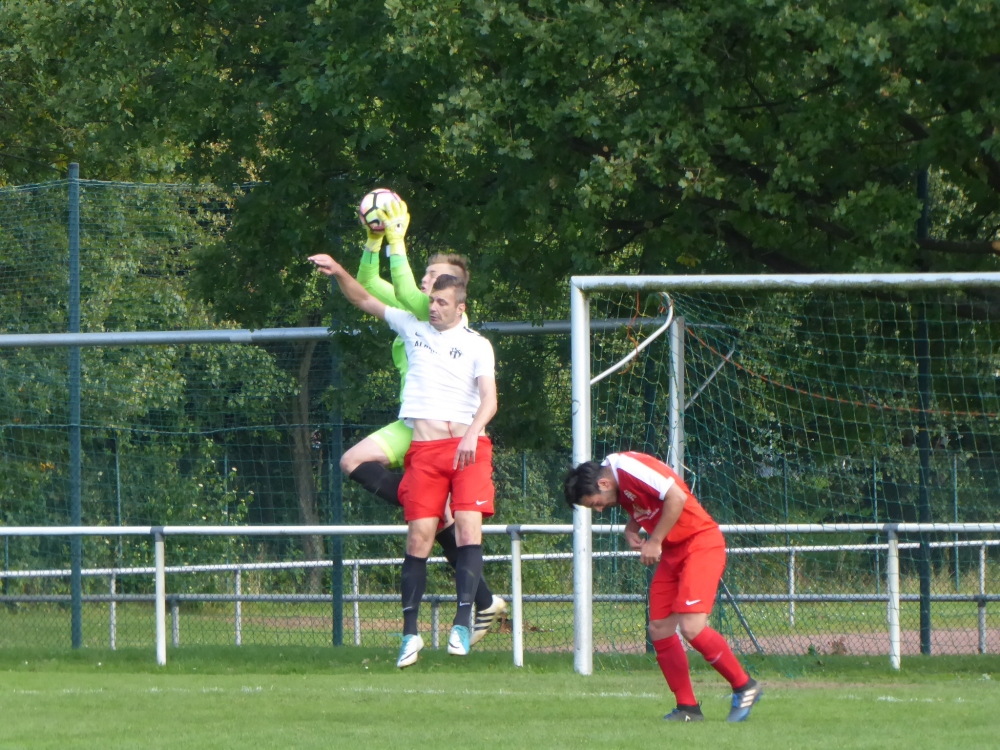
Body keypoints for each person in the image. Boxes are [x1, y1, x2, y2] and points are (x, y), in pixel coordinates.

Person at [312, 200, 506, 647]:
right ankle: (463, 580)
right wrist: (364, 248)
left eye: (437, 282)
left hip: (451, 430)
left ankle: (473, 603)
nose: (426, 285)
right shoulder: (414, 318)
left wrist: (394, 239)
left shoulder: (447, 322)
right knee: (358, 465)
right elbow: (367, 289)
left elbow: (398, 285)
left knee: (458, 523)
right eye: (427, 279)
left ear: (456, 296)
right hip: (413, 423)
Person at [563, 452, 763, 723]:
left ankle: (744, 686)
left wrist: (655, 541)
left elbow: (676, 496)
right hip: (673, 551)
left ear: (603, 484)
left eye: (596, 503)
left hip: (699, 542)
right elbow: (647, 501)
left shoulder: (628, 468)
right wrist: (631, 527)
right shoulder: (616, 481)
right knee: (659, 628)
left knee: (692, 627)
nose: (599, 509)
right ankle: (688, 708)